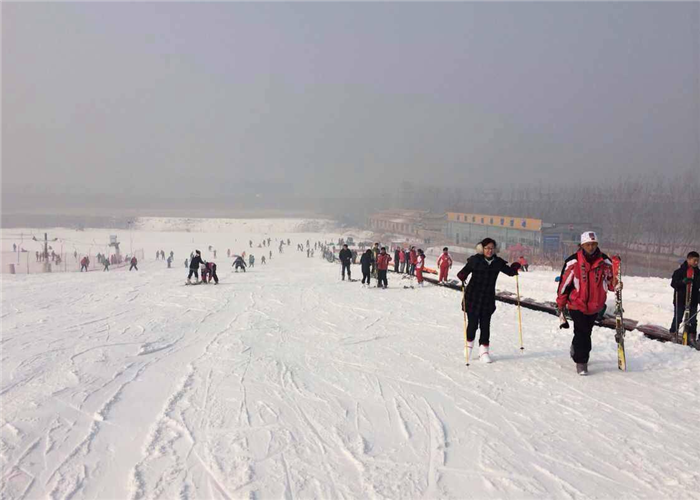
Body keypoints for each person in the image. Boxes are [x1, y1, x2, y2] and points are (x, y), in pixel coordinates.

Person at [556, 232, 618, 375]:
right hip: (576, 303)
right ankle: (581, 361)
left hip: (595, 305)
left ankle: (576, 349)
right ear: (582, 245)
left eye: (594, 244)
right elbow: (564, 284)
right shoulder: (573, 262)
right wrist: (561, 304)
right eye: (588, 244)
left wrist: (615, 284)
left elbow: (610, 282)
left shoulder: (605, 262)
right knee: (583, 332)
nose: (591, 247)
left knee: (585, 332)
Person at [457, 238, 521, 364]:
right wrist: (462, 276)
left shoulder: (497, 262)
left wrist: (515, 268)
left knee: (485, 326)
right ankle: (468, 346)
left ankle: (484, 352)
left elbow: (509, 272)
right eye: (486, 248)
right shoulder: (475, 260)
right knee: (473, 324)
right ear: (482, 249)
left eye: (491, 248)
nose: (489, 251)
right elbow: (463, 272)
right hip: (473, 297)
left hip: (487, 298)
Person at [670, 251, 699, 347]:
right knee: (678, 318)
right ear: (688, 259)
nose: (696, 263)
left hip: (693, 300)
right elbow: (673, 284)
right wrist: (683, 282)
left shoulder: (698, 273)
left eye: (698, 261)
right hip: (681, 300)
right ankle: (674, 334)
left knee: (693, 320)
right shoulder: (679, 272)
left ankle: (691, 337)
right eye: (694, 260)